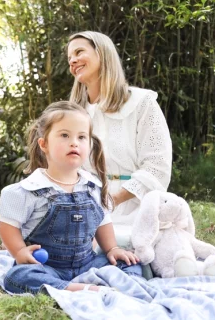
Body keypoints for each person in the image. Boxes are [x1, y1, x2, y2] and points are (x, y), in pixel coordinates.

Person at [0, 101, 141, 295]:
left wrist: (112, 248)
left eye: (82, 137)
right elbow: (8, 225)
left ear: (89, 144)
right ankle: (75, 288)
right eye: (65, 135)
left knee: (126, 260)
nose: (74, 142)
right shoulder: (29, 190)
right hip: (46, 266)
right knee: (17, 276)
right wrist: (20, 252)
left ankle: (121, 285)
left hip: (88, 263)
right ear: (44, 144)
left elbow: (103, 221)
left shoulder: (92, 186)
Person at [67, 31, 172, 252]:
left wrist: (112, 200)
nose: (73, 60)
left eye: (79, 52)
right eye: (69, 58)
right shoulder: (74, 114)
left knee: (139, 248)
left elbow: (157, 167)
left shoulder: (142, 103)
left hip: (138, 206)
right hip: (87, 206)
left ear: (103, 54)